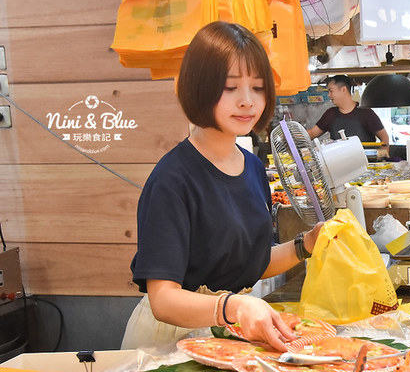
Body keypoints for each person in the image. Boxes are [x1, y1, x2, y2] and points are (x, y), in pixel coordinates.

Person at [123, 21, 322, 352]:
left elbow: (249, 263)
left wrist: (306, 245)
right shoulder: (172, 179)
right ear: (199, 87)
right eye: (231, 88)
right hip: (169, 343)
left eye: (257, 87)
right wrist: (235, 307)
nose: (247, 101)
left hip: (227, 336)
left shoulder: (253, 167)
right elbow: (163, 299)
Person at [308, 75, 389, 144]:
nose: (329, 95)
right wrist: (300, 135)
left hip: (364, 157)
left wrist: (383, 152)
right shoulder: (330, 114)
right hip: (339, 157)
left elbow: (384, 137)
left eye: (331, 91)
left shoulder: (366, 113)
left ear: (343, 89)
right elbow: (312, 133)